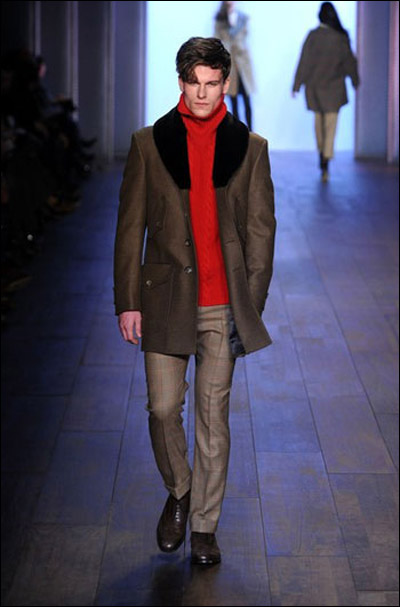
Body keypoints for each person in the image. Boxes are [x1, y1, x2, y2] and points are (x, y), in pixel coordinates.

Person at [114, 37, 275, 566]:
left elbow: (261, 233)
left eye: (212, 83)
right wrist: (127, 301)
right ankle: (180, 490)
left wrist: (249, 304)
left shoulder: (250, 148)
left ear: (225, 84)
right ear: (181, 83)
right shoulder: (148, 144)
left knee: (212, 417)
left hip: (222, 304)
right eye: (194, 83)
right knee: (163, 409)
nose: (203, 94)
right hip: (164, 299)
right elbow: (129, 228)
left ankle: (204, 526)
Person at [292, 2, 359, 181]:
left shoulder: (313, 36)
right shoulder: (341, 38)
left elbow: (304, 61)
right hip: (334, 89)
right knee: (330, 125)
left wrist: (297, 85)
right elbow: (349, 62)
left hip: (314, 87)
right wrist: (355, 80)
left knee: (319, 123)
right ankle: (326, 158)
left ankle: (322, 154)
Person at [214, 1, 255, 130]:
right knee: (234, 101)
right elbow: (217, 40)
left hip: (243, 64)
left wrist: (238, 46)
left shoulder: (242, 18)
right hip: (230, 65)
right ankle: (238, 132)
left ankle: (251, 132)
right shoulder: (220, 19)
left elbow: (244, 37)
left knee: (247, 100)